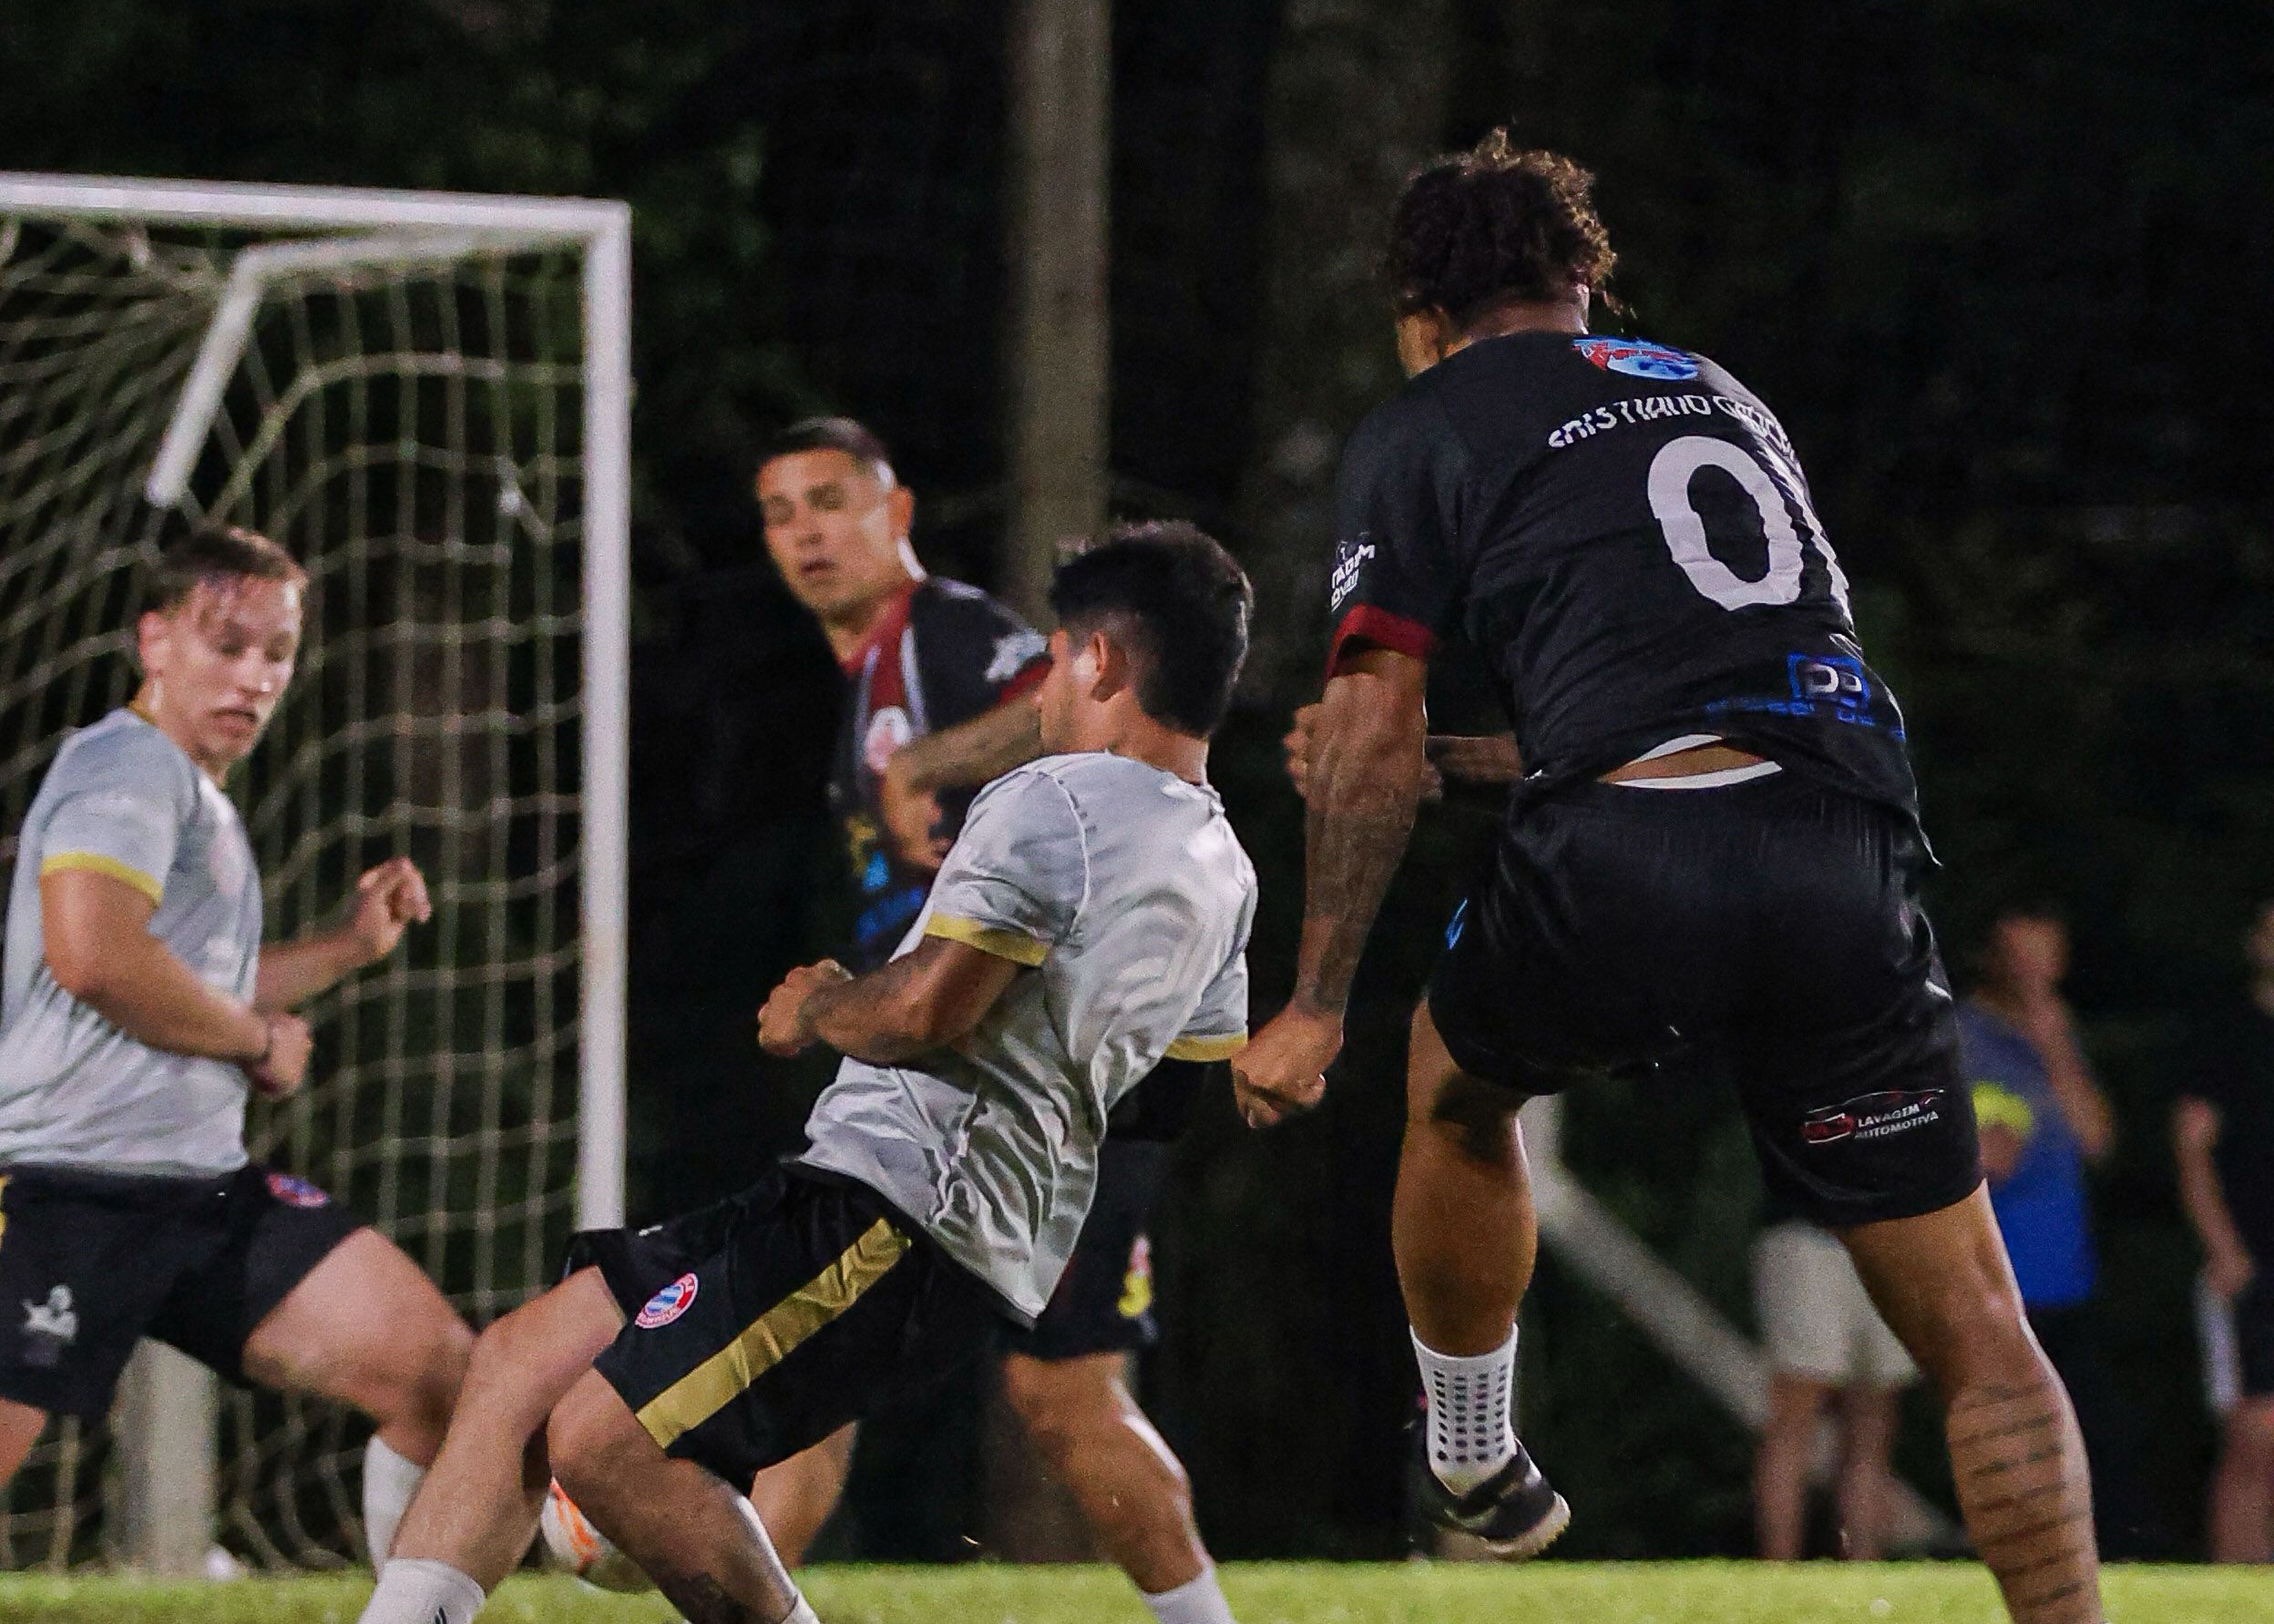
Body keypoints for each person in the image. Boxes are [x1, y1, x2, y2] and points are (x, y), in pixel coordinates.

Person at [1233, 133, 2102, 1622]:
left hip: (1628, 859)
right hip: (1840, 847)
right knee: (1978, 1330)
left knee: (1450, 1073)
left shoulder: (1428, 418)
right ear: (1585, 284)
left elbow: (1367, 731)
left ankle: (1475, 1450)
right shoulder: (1715, 389)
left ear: (1418, 316)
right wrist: (1471, 756)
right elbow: (1695, 687)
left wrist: (1315, 997)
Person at [358, 524, 1257, 1624]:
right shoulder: (1225, 872)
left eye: (1061, 653)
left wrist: (821, 1003)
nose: (1044, 692)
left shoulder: (1054, 798)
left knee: (605, 1446)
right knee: (521, 1360)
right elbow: (1164, 1099)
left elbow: (927, 1008)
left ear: (1103, 662)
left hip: (902, 1208)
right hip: (903, 1207)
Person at [746, 418, 1225, 1594]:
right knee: (819, 1351)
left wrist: (928, 764)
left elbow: (1081, 695)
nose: (805, 532)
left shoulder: (943, 633)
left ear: (895, 514)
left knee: (1055, 1394)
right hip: (947, 1071)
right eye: (779, 512)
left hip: (1025, 1067)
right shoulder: (867, 672)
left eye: (829, 501)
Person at [0, 522, 471, 1563]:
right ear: (154, 641)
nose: (255, 676)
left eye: (276, 652)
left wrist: (347, 948)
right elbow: (95, 954)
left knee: (438, 1375)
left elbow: (178, 986)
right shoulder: (126, 770)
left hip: (195, 1194)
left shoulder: (192, 793)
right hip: (62, 1191)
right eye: (227, 644)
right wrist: (255, 1037)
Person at [1962, 907, 2158, 1558]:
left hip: (2066, 1273)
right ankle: (2009, 1551)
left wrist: (2054, 1046)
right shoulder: (1964, 1033)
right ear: (1995, 956)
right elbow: (1968, 1150)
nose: (2033, 968)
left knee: (2094, 1428)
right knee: (2007, 1433)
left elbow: (2099, 1139)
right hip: (1994, 1276)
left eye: (2046, 953)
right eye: (2019, 952)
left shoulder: (2057, 1035)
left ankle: (2107, 1553)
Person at [2176, 897, 2274, 1561]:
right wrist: (2223, 1247)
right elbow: (2190, 1146)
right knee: (2256, 1434)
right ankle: (2241, 1589)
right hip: (2251, 1264)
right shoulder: (2227, 1032)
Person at [1751, 1210, 1915, 1559]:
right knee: (1794, 1421)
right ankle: (1777, 1577)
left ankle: (1864, 1578)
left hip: (1889, 1240)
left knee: (1872, 1428)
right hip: (1809, 1236)